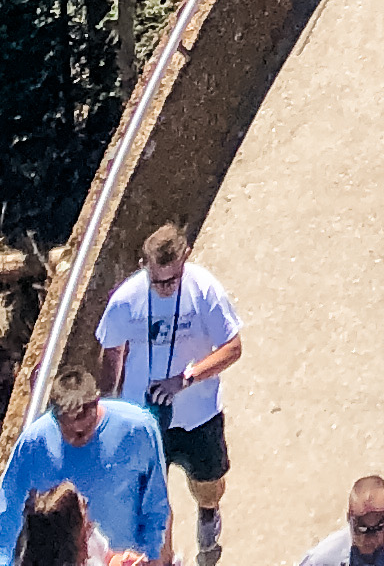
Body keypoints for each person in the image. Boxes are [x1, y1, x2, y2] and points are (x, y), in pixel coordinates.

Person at [96, 223, 241, 566]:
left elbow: (233, 347)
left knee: (209, 486)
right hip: (144, 418)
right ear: (144, 265)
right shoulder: (125, 300)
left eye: (172, 280)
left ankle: (208, 511)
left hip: (198, 414)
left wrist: (185, 378)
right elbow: (112, 354)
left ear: (185, 259)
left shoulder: (204, 290)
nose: (164, 288)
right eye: (156, 281)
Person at [0, 362, 171, 566]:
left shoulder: (139, 428)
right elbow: (8, 503)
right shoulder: (34, 442)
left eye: (84, 431)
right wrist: (0, 561)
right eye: (69, 432)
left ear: (96, 403)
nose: (77, 439)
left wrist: (152, 555)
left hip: (117, 554)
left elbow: (155, 501)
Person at [297, 473, 384, 566]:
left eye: (378, 527)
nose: (370, 538)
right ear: (349, 518)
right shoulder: (321, 561)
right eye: (362, 529)